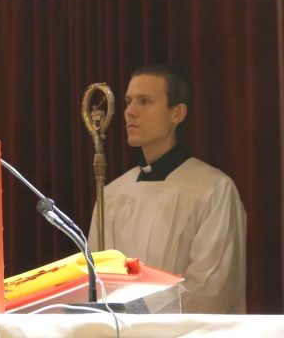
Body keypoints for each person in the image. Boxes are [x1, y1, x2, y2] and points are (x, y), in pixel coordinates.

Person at [89, 64, 246, 314]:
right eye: (129, 101)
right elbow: (96, 279)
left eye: (145, 101)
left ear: (177, 113)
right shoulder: (112, 194)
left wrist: (140, 311)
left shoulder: (213, 189)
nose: (130, 112)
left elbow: (211, 286)